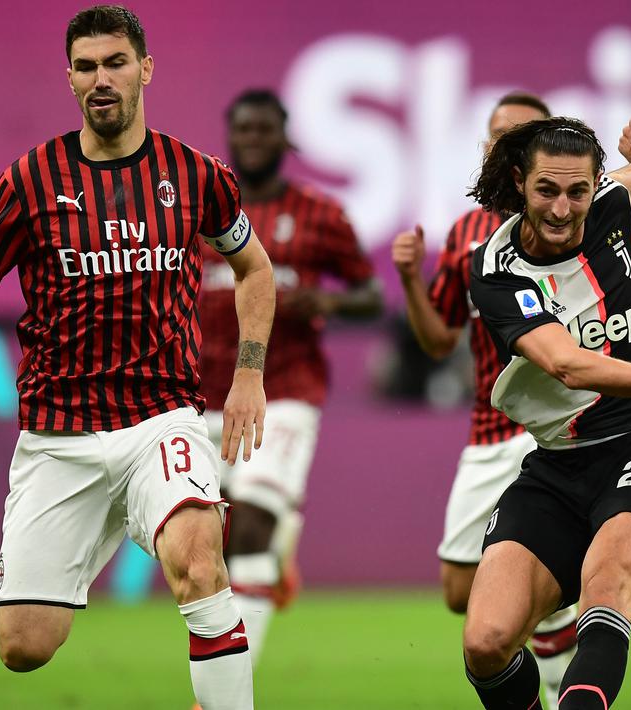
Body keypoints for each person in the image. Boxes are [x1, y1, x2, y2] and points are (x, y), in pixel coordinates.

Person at [0, 7, 272, 709]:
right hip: (60, 436)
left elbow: (255, 269)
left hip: (161, 418)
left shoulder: (196, 174)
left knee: (198, 559)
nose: (102, 79)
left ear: (144, 69)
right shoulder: (30, 181)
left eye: (115, 62)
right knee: (23, 647)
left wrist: (247, 376)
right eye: (87, 67)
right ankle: (104, 525)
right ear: (69, 79)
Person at [392, 92, 631, 708]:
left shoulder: (607, 206)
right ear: (519, 183)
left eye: (577, 193)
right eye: (548, 191)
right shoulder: (495, 270)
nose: (563, 209)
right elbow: (566, 365)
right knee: (486, 640)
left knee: (603, 594)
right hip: (556, 462)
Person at [199, 88, 382, 667]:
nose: (253, 140)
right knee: (216, 542)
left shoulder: (321, 214)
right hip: (199, 394)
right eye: (243, 130)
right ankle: (277, 550)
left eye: (264, 130)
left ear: (285, 140)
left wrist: (316, 300)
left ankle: (228, 694)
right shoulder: (199, 210)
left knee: (250, 526)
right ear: (230, 139)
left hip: (284, 390)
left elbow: (371, 294)